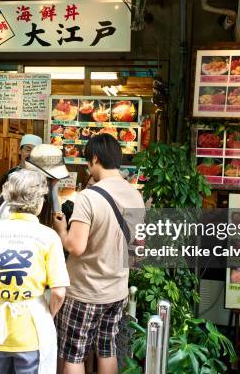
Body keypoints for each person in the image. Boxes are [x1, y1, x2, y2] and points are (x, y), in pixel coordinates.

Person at [0, 143, 69, 373]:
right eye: (51, 180)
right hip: (30, 329)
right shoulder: (48, 236)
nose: (54, 184)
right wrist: (45, 312)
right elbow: (59, 291)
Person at [53, 134, 145, 374]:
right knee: (107, 350)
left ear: (95, 158)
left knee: (74, 354)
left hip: (85, 291)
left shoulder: (89, 197)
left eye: (87, 161)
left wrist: (62, 230)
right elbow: (137, 246)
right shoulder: (136, 195)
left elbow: (76, 247)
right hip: (116, 290)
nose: (87, 167)